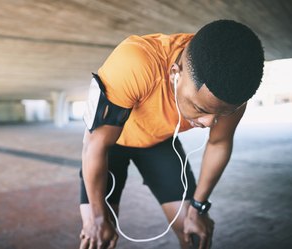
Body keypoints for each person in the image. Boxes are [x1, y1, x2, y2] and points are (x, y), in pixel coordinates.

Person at [78, 20, 264, 249]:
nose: (209, 123)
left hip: (159, 141)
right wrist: (96, 218)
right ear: (175, 74)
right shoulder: (136, 61)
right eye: (201, 109)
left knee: (194, 233)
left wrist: (199, 206)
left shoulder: (232, 94)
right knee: (98, 237)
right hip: (111, 143)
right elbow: (94, 143)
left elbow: (219, 143)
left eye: (220, 114)